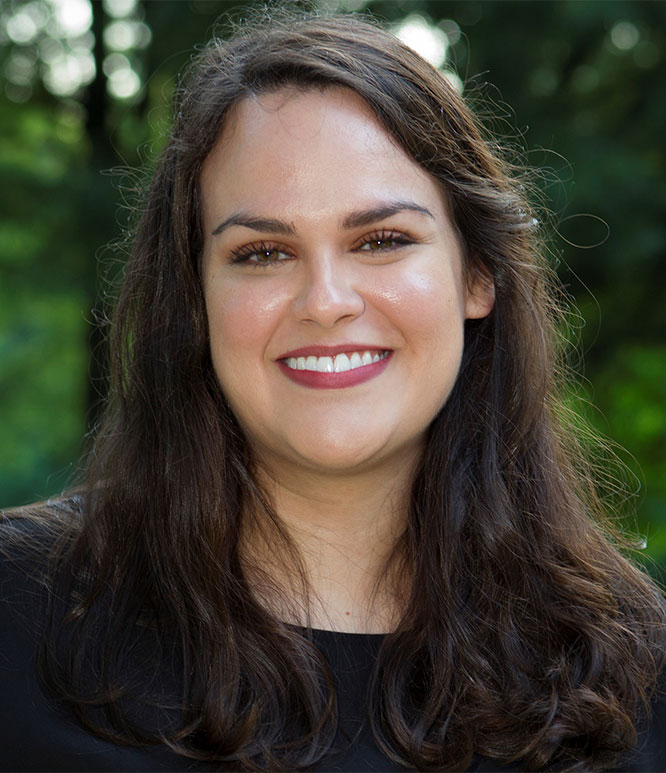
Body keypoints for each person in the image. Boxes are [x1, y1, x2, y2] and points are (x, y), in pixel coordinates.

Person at [1, 9, 665, 772]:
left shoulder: (636, 676)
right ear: (195, 297)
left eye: (381, 240)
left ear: (478, 274)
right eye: (262, 252)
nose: (325, 300)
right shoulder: (14, 617)